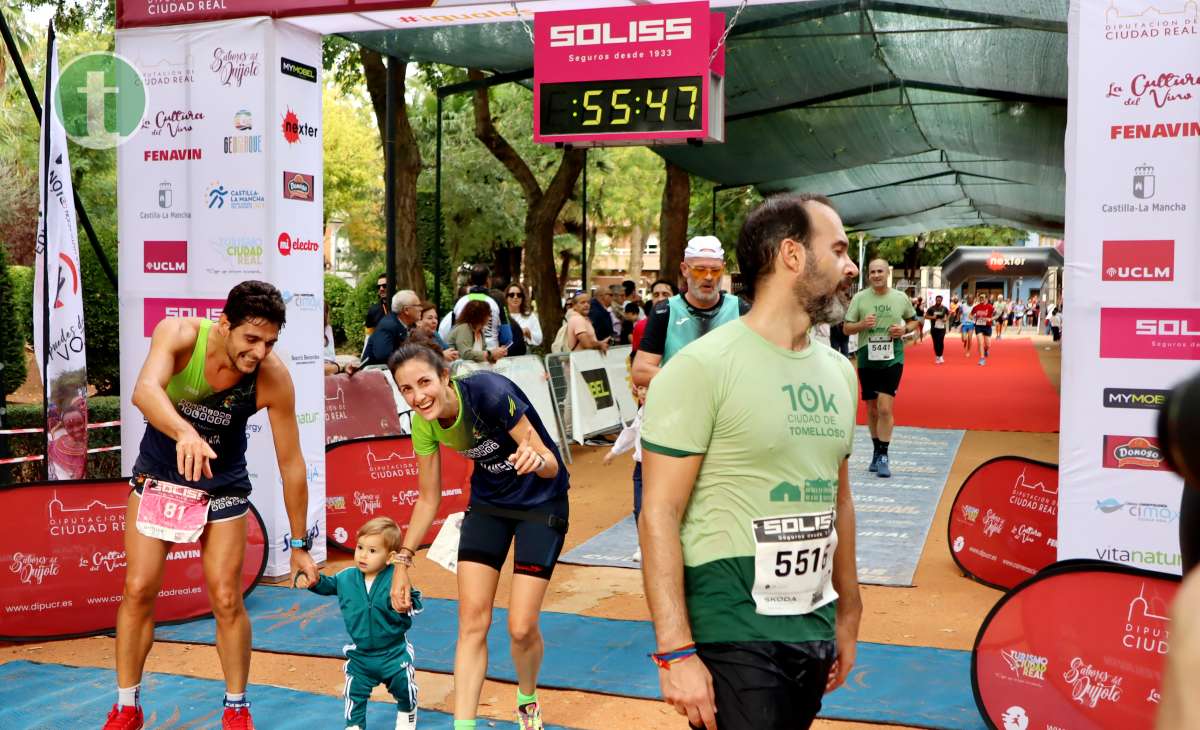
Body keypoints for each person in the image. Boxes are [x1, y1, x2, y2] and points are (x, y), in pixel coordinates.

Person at [640, 194, 861, 730]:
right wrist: (675, 650)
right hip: (731, 621)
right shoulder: (701, 368)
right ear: (791, 255)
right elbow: (658, 513)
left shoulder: (839, 373)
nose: (850, 267)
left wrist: (849, 611)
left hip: (811, 620)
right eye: (837, 250)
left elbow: (839, 497)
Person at [106, 280, 319, 730]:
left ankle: (236, 708)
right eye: (251, 339)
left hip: (222, 486)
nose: (260, 352)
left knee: (226, 597)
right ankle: (128, 706)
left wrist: (300, 542)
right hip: (161, 478)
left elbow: (292, 463)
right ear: (224, 324)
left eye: (270, 342)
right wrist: (185, 432)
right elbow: (145, 390)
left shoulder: (272, 376)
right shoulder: (180, 334)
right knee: (139, 589)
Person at [387, 343, 569, 730]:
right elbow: (427, 497)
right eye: (407, 389)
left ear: (444, 377)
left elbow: (553, 466)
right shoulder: (423, 423)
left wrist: (535, 460)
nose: (419, 396)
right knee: (472, 621)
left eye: (424, 382)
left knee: (520, 627)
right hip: (488, 506)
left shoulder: (488, 393)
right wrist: (402, 561)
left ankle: (527, 699)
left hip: (542, 501)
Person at [307, 517, 423, 730]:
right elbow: (329, 585)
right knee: (353, 692)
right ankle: (354, 725)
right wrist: (314, 581)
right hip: (361, 655)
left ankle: (407, 713)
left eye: (372, 551)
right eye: (360, 547)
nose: (362, 555)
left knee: (404, 688)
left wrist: (408, 604)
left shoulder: (394, 579)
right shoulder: (347, 577)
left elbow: (412, 597)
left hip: (393, 653)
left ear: (389, 558)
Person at [631, 236, 748, 388]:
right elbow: (640, 372)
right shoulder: (665, 312)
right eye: (700, 270)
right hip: (681, 408)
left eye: (715, 270)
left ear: (723, 269)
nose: (708, 277)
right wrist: (691, 380)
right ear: (685, 269)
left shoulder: (740, 309)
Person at [843, 259, 919, 479]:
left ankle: (884, 455)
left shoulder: (900, 297)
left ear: (887, 273)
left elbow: (914, 322)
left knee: (885, 408)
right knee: (872, 409)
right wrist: (862, 325)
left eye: (880, 271)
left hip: (892, 358)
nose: (876, 275)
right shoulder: (860, 298)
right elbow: (847, 328)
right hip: (867, 358)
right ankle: (876, 450)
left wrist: (903, 329)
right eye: (873, 272)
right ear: (869, 275)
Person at [363, 290, 420, 367]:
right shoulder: (388, 325)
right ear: (406, 310)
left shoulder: (409, 325)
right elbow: (382, 356)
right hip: (374, 374)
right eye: (417, 306)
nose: (421, 309)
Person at [452, 265, 503, 349]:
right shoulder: (496, 302)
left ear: (471, 279)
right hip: (490, 354)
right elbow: (507, 336)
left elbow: (453, 330)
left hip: (464, 353)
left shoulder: (459, 302)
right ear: (488, 280)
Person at [506, 283, 542, 348]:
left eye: (519, 295)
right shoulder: (501, 316)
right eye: (511, 295)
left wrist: (528, 332)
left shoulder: (530, 316)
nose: (515, 297)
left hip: (525, 354)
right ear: (506, 298)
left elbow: (539, 340)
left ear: (522, 298)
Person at [971, 293, 996, 365]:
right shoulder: (976, 307)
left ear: (986, 299)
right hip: (978, 326)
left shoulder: (990, 307)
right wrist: (973, 318)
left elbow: (996, 315)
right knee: (980, 343)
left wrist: (990, 319)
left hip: (987, 326)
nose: (981, 299)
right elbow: (971, 315)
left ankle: (986, 350)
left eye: (983, 297)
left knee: (988, 344)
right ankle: (982, 359)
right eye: (980, 298)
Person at [925, 294, 950, 364]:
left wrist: (946, 319)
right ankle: (937, 356)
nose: (938, 301)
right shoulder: (931, 308)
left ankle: (941, 355)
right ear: (935, 300)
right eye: (937, 300)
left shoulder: (944, 308)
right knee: (935, 342)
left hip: (942, 328)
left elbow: (949, 314)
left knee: (941, 341)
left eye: (940, 300)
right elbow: (925, 316)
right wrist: (932, 317)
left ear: (941, 300)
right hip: (934, 328)